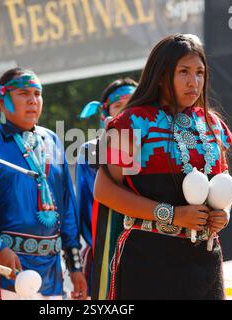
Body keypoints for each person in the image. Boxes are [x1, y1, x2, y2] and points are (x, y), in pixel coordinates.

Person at [93, 34, 232, 299]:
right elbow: (103, 190)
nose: (194, 82)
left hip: (204, 260)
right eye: (183, 72)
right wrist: (171, 214)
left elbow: (223, 180)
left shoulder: (213, 125)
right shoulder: (131, 123)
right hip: (149, 260)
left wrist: (223, 213)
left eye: (200, 72)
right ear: (160, 75)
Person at [0, 68, 87, 300]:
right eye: (24, 93)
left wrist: (75, 265)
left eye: (38, 93)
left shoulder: (52, 140)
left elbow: (67, 207)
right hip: (2, 267)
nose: (33, 100)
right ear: (1, 98)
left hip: (51, 274)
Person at [75, 78, 137, 296]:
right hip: (107, 251)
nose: (126, 111)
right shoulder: (91, 152)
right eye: (119, 106)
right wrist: (106, 246)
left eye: (133, 104)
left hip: (151, 246)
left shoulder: (154, 145)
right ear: (104, 114)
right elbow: (85, 210)